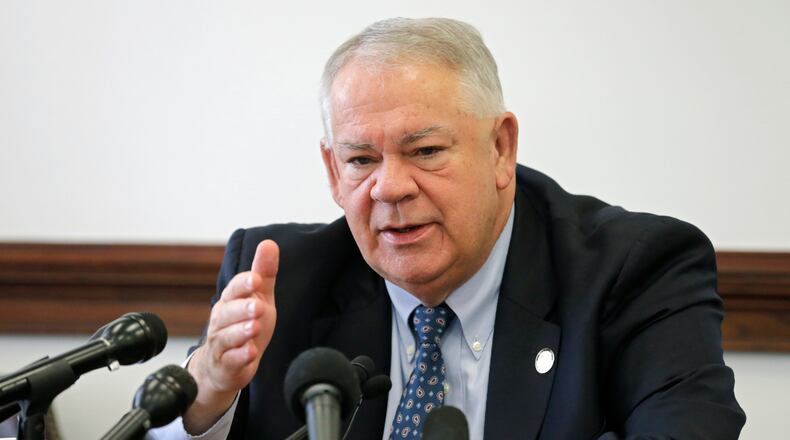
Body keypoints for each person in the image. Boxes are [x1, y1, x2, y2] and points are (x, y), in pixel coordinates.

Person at [150, 17, 745, 440]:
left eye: (426, 150)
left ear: (500, 149)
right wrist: (207, 391)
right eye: (360, 160)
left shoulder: (634, 270)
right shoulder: (277, 281)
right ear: (332, 171)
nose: (390, 187)